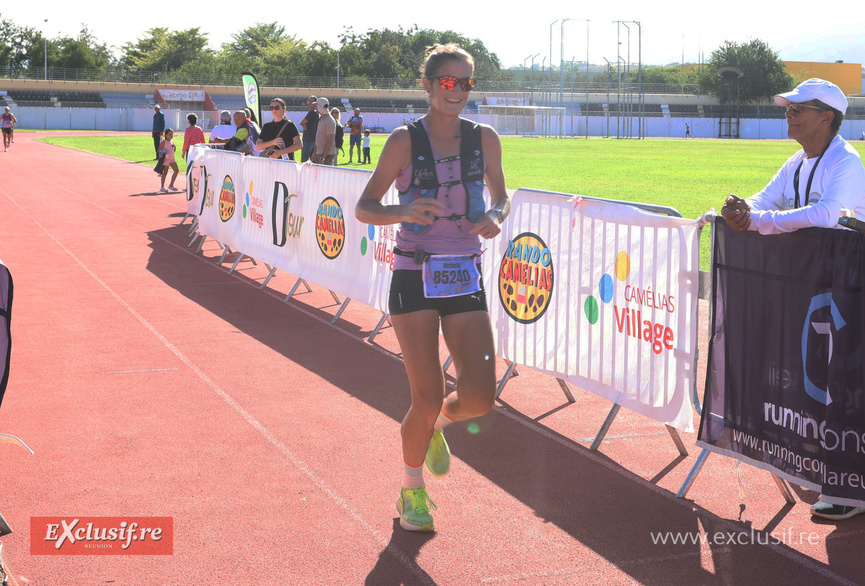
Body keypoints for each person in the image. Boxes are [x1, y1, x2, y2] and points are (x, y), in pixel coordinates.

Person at [355, 43, 509, 533]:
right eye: (449, 82)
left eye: (466, 83)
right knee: (424, 396)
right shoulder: (403, 141)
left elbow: (503, 198)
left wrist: (493, 216)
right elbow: (365, 206)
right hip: (413, 276)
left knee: (481, 398)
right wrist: (403, 211)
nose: (458, 91)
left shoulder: (485, 138)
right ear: (427, 84)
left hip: (465, 274)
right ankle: (411, 489)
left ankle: (436, 425)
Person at [720, 78, 865, 521]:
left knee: (846, 387)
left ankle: (848, 489)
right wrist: (741, 209)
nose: (789, 112)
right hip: (813, 289)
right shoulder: (797, 162)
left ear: (828, 117)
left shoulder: (847, 161)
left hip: (848, 292)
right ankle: (828, 469)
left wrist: (758, 220)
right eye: (789, 105)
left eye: (800, 106)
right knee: (818, 381)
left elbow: (828, 215)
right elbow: (765, 198)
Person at [313, 98, 337, 166]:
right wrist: (315, 152)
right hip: (320, 153)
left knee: (325, 175)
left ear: (320, 106)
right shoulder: (321, 118)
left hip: (327, 155)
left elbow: (329, 142)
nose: (315, 107)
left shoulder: (330, 122)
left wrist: (322, 158)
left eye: (316, 105)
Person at [157, 128, 179, 192]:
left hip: (172, 158)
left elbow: (172, 150)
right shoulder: (164, 142)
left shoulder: (172, 141)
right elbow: (158, 150)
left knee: (176, 170)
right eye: (169, 134)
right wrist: (164, 151)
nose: (171, 135)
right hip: (166, 159)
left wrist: (174, 148)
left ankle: (171, 185)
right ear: (166, 135)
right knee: (165, 173)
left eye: (172, 134)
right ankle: (162, 187)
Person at [299, 95, 319, 163]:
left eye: (312, 101)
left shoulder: (312, 112)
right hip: (314, 139)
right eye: (309, 101)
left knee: (304, 160)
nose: (309, 103)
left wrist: (303, 125)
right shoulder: (318, 113)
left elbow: (301, 122)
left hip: (308, 139)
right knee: (313, 160)